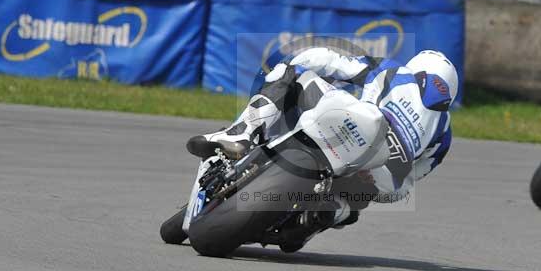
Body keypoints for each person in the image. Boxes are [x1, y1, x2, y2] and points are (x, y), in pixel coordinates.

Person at [187, 47, 457, 227]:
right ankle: (328, 214)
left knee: (290, 71)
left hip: (358, 130)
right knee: (362, 199)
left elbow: (335, 63)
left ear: (418, 68)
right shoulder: (444, 134)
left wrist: (298, 59)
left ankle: (242, 134)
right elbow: (417, 174)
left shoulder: (397, 72)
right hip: (386, 174)